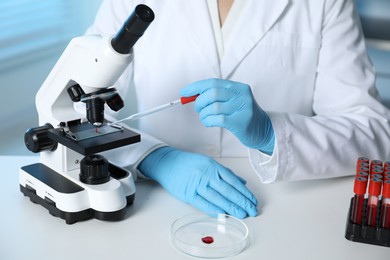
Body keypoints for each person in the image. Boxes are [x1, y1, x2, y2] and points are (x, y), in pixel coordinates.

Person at [87, 0, 390, 218]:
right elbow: (78, 106)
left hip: (282, 206)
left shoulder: (324, 4)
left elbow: (373, 132)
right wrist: (154, 158)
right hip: (153, 199)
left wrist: (272, 133)